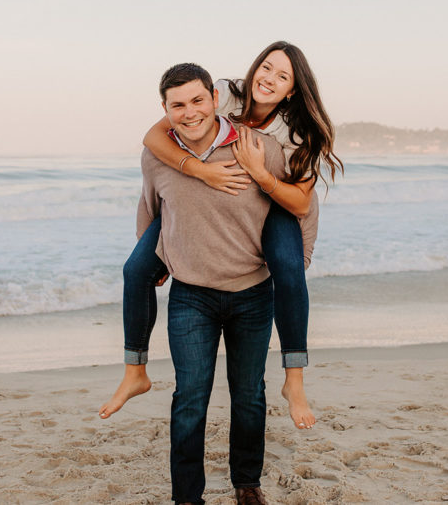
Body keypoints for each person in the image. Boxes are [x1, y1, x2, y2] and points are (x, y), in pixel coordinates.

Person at [99, 41, 343, 429]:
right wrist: (200, 171)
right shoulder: (226, 93)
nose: (269, 78)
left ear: (293, 89)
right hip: (208, 200)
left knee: (288, 268)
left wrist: (260, 173)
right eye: (266, 67)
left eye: (283, 76)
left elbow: (299, 203)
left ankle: (294, 380)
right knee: (136, 269)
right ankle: (135, 372)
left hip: (276, 202)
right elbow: (153, 137)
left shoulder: (299, 131)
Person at [138, 63, 285, 504]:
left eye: (197, 100)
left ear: (215, 99)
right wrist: (154, 262)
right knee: (189, 399)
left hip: (252, 294)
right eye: (177, 105)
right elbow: (148, 210)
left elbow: (296, 205)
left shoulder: (258, 147)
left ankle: (247, 482)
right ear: (165, 109)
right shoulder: (157, 154)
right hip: (191, 298)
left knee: (249, 396)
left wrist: (297, 263)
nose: (189, 112)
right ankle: (187, 497)